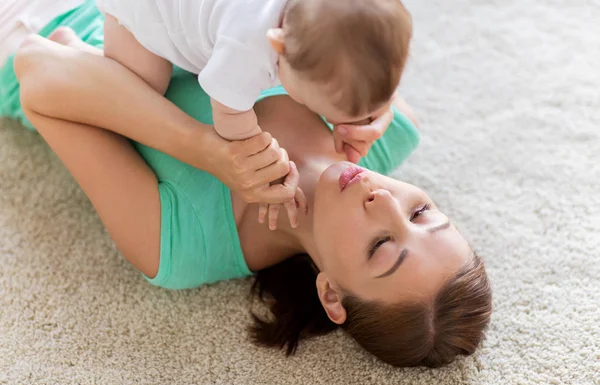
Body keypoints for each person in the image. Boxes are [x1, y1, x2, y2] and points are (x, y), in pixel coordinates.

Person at [1, 1, 492, 368]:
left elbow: (37, 70)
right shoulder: (389, 130)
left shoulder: (183, 245)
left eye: (381, 245)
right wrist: (373, 106)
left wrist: (207, 149)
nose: (383, 199)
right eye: (422, 213)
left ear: (332, 295)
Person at [96, 0, 412, 228]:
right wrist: (262, 160)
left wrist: (366, 107)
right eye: (313, 103)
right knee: (141, 88)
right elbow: (229, 114)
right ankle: (82, 54)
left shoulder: (303, 23)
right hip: (147, 12)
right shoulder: (247, 48)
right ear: (278, 46)